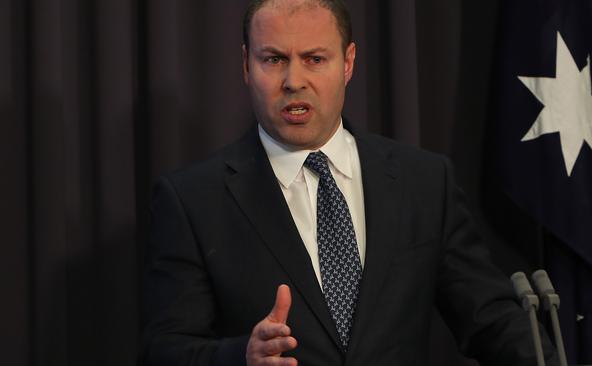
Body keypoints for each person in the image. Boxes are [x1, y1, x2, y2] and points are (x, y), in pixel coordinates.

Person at [142, 0, 559, 365]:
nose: (293, 80)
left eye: (314, 59)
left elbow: (490, 320)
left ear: (348, 63)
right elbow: (165, 351)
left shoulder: (424, 182)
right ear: (246, 65)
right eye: (273, 59)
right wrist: (241, 357)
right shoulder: (193, 200)